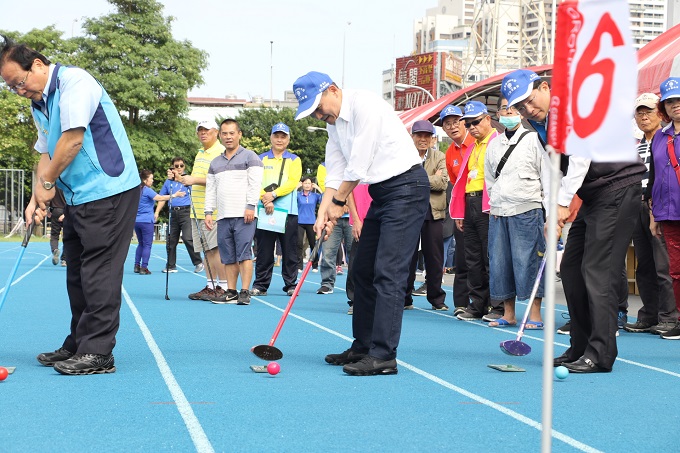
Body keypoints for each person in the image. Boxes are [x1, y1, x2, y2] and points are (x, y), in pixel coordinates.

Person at [1, 35, 140, 375]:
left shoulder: (75, 81)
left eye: (19, 83)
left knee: (99, 272)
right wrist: (37, 195)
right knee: (76, 272)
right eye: (10, 89)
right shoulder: (39, 103)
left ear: (36, 65)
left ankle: (99, 353)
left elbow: (73, 139)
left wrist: (48, 184)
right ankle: (78, 343)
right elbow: (45, 152)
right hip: (78, 196)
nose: (19, 92)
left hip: (109, 189)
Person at [503, 69, 645, 373]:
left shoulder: (567, 109)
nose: (527, 109)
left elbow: (580, 157)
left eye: (529, 100)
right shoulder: (540, 125)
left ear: (544, 88)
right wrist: (550, 213)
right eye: (520, 106)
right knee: (570, 268)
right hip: (594, 195)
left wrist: (563, 204)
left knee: (598, 271)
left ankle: (601, 353)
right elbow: (553, 170)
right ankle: (580, 345)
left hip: (618, 187)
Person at [293, 70, 429, 376]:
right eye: (312, 112)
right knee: (361, 270)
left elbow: (358, 164)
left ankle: (384, 355)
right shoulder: (334, 124)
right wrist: (322, 211)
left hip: (407, 189)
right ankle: (363, 345)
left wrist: (338, 204)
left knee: (388, 272)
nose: (318, 114)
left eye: (318, 106)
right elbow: (336, 168)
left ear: (333, 89)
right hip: (383, 195)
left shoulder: (365, 105)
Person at [484, 96, 546, 329]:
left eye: (513, 110)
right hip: (499, 211)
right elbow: (490, 179)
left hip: (527, 209)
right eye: (503, 110)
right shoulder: (494, 144)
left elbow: (546, 175)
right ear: (498, 115)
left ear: (521, 113)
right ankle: (508, 314)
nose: (508, 114)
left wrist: (547, 209)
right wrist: (494, 204)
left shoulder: (534, 139)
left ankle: (535, 315)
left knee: (528, 261)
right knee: (501, 263)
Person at [624, 92, 680, 336]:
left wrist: (652, 208)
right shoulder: (637, 144)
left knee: (664, 266)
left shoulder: (664, 138)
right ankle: (649, 314)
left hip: (658, 207)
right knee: (643, 264)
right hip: (637, 204)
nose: (643, 116)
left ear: (659, 114)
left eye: (648, 111)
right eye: (639, 113)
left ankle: (669, 317)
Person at [450, 101, 504, 321]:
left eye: (476, 122)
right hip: (471, 203)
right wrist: (460, 211)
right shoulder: (473, 147)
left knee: (491, 257)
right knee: (472, 258)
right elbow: (462, 181)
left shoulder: (498, 142)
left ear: (488, 119)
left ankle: (497, 305)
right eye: (468, 123)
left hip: (489, 204)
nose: (472, 127)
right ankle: (477, 304)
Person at [204, 119, 264, 305]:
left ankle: (244, 291)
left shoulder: (250, 157)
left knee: (244, 253)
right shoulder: (215, 162)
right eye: (224, 133)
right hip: (223, 215)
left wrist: (251, 206)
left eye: (232, 133)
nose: (228, 137)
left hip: (244, 213)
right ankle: (231, 291)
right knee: (228, 255)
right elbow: (211, 189)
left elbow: (255, 183)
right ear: (220, 135)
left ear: (239, 134)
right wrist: (208, 212)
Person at [179, 120, 229, 302]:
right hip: (197, 209)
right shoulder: (200, 153)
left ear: (216, 132)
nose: (203, 133)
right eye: (200, 130)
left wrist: (193, 180)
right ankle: (210, 285)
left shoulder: (220, 152)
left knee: (216, 250)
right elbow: (197, 178)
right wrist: (184, 178)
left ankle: (223, 286)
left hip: (213, 210)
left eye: (206, 130)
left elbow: (219, 178)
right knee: (207, 251)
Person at [251, 123, 302, 296]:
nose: (279, 139)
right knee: (264, 250)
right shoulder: (260, 158)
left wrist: (272, 195)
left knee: (290, 250)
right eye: (276, 136)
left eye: (283, 136)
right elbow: (254, 181)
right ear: (271, 138)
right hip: (266, 211)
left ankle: (290, 284)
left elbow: (293, 182)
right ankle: (260, 284)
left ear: (288, 139)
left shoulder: (294, 160)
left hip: (288, 212)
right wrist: (265, 200)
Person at [404, 120, 449, 311]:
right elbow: (403, 181)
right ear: (412, 137)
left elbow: (443, 182)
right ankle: (405, 297)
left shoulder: (439, 156)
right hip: (409, 212)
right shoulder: (404, 156)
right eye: (419, 135)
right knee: (407, 257)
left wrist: (418, 179)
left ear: (432, 138)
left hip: (433, 212)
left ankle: (437, 299)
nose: (423, 139)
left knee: (434, 258)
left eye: (427, 136)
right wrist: (431, 178)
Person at [648, 77, 680, 340]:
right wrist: (653, 214)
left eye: (679, 100)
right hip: (667, 212)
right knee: (675, 271)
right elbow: (654, 173)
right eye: (670, 101)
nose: (676, 105)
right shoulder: (660, 136)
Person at [441, 104, 476, 315]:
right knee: (462, 258)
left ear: (465, 123)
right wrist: (457, 213)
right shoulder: (449, 153)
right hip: (463, 211)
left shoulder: (478, 142)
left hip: (482, 206)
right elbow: (455, 185)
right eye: (447, 124)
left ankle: (486, 302)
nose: (453, 127)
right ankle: (461, 303)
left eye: (456, 122)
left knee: (482, 258)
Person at [155, 157, 204, 274]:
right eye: (176, 166)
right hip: (173, 212)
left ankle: (198, 262)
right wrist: (157, 212)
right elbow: (162, 198)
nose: (179, 168)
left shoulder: (187, 179)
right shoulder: (168, 182)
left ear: (184, 166)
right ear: (172, 167)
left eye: (181, 166)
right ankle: (171, 265)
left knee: (187, 238)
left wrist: (178, 178)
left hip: (186, 212)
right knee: (171, 240)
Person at [134, 170, 184, 275]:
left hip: (136, 221)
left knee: (141, 244)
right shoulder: (147, 190)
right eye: (151, 178)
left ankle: (137, 265)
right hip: (146, 221)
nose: (152, 181)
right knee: (147, 245)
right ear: (145, 179)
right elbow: (160, 198)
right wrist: (174, 195)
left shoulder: (136, 190)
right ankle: (144, 267)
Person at [297, 176, 322, 272]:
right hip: (299, 222)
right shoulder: (298, 195)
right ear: (302, 184)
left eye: (309, 183)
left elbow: (324, 199)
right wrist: (296, 187)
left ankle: (314, 265)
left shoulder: (315, 196)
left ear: (312, 185)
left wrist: (318, 188)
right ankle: (299, 266)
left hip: (311, 222)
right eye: (305, 183)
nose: (307, 185)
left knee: (312, 243)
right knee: (299, 243)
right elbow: (290, 199)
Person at [48, 187, 67, 266]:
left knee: (54, 235)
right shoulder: (67, 182)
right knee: (67, 236)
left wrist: (48, 209)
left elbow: (48, 197)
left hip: (55, 210)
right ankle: (64, 259)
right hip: (67, 210)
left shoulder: (54, 183)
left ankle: (55, 249)